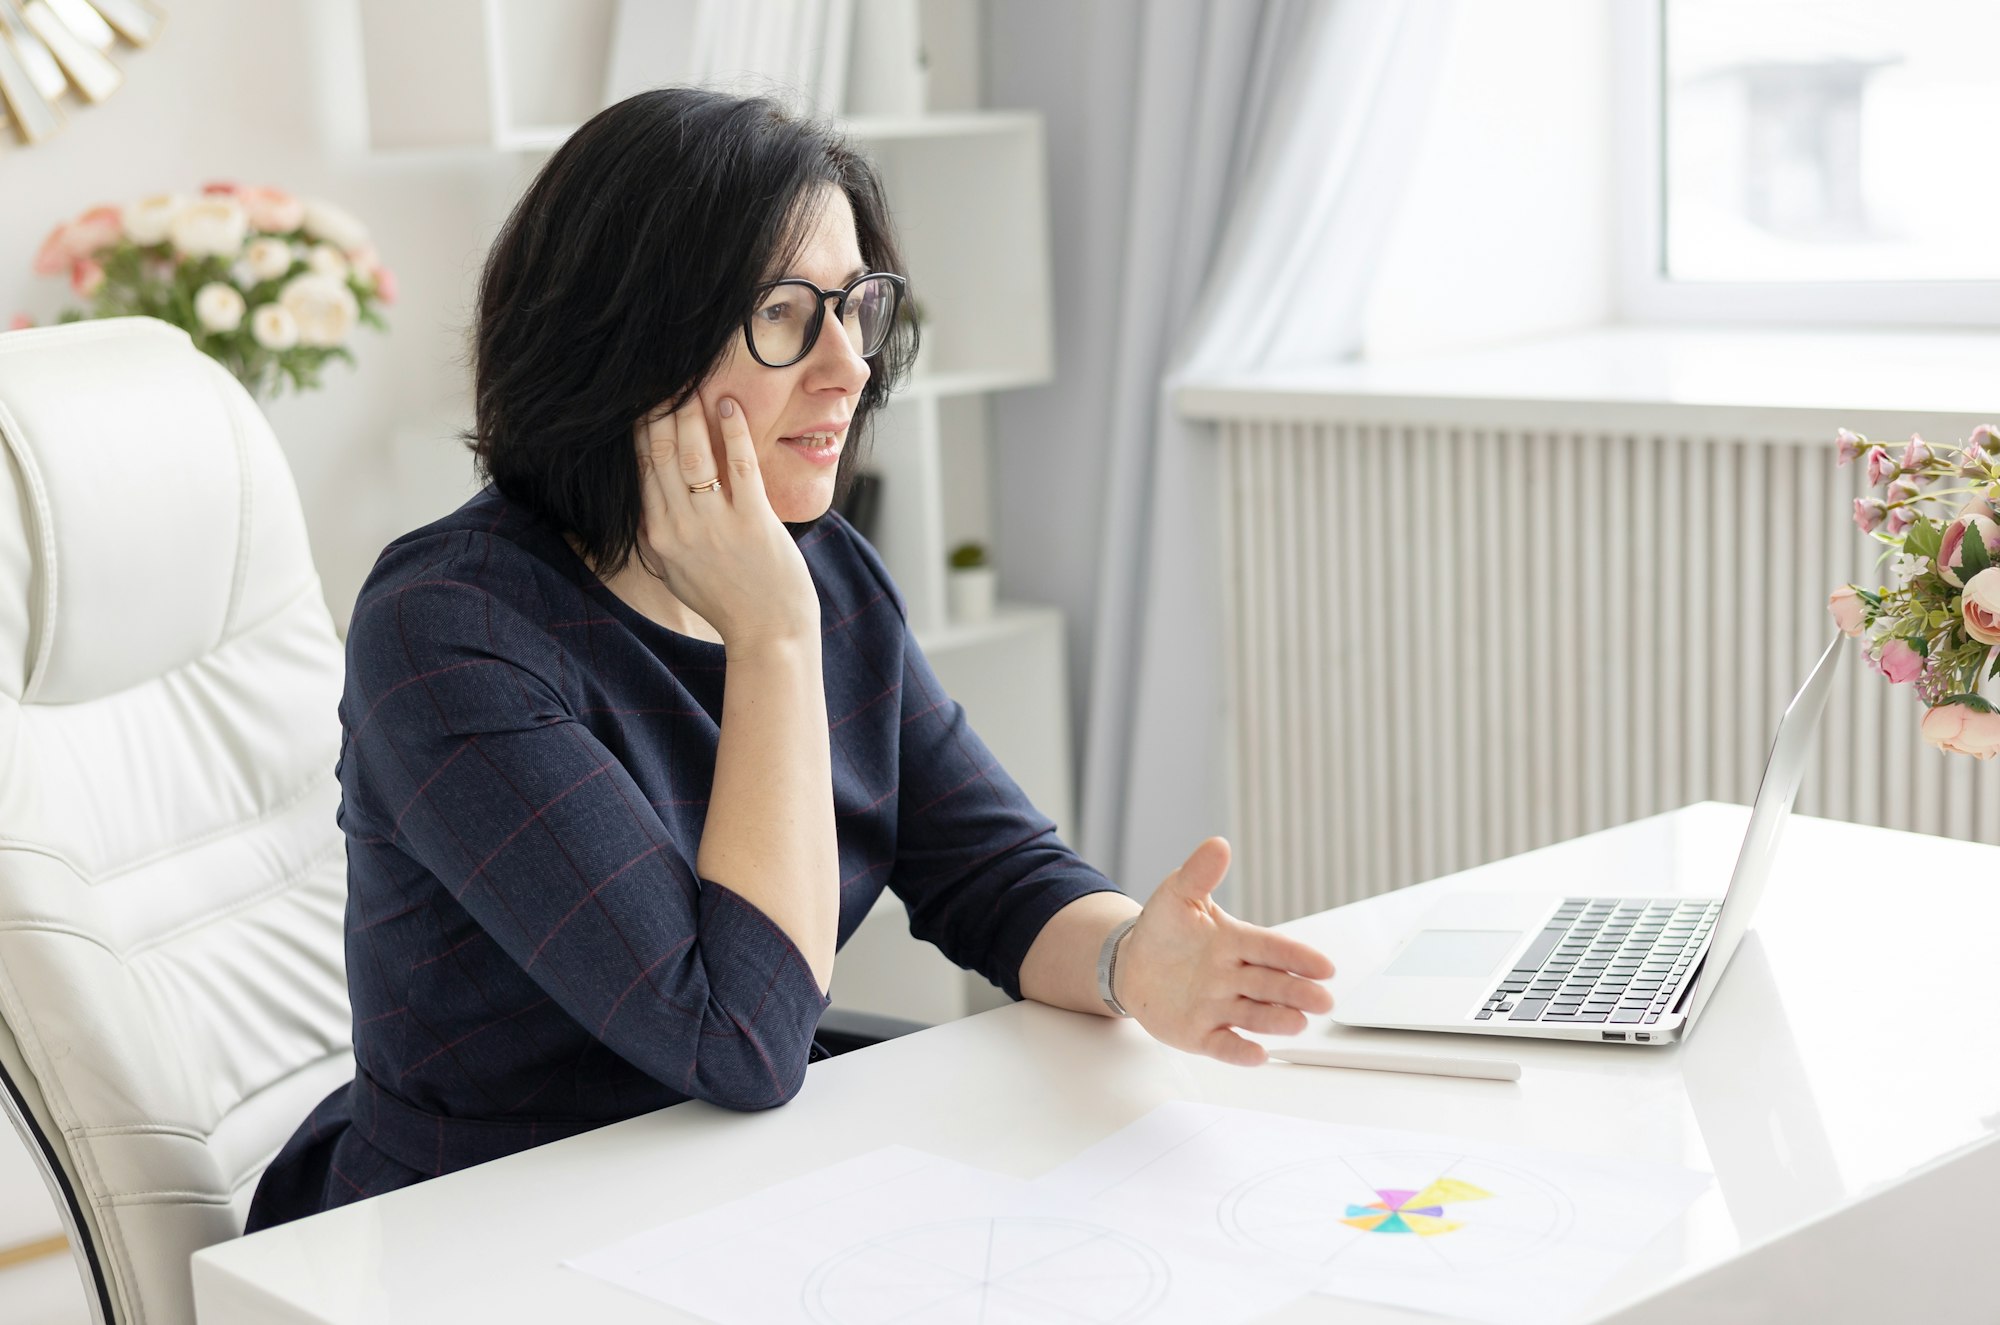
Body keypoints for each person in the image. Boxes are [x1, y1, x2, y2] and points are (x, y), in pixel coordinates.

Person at [246, 87, 1334, 1232]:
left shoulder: (824, 571)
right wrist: (769, 638)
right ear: (624, 340)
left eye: (856, 305)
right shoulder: (451, 629)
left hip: (732, 1185)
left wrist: (1127, 960)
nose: (846, 366)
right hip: (484, 1224)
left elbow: (990, 872)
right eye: (782, 312)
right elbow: (738, 1035)